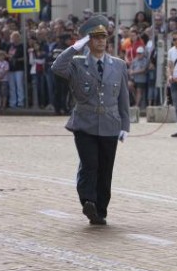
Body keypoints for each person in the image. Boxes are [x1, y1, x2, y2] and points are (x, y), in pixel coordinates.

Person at [51, 15, 130, 226]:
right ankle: (88, 201)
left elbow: (123, 98)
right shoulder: (77, 64)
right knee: (90, 164)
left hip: (110, 124)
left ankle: (100, 210)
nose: (101, 41)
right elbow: (57, 68)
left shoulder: (118, 65)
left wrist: (125, 126)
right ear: (88, 41)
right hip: (84, 123)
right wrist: (75, 48)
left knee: (105, 169)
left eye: (103, 37)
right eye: (95, 38)